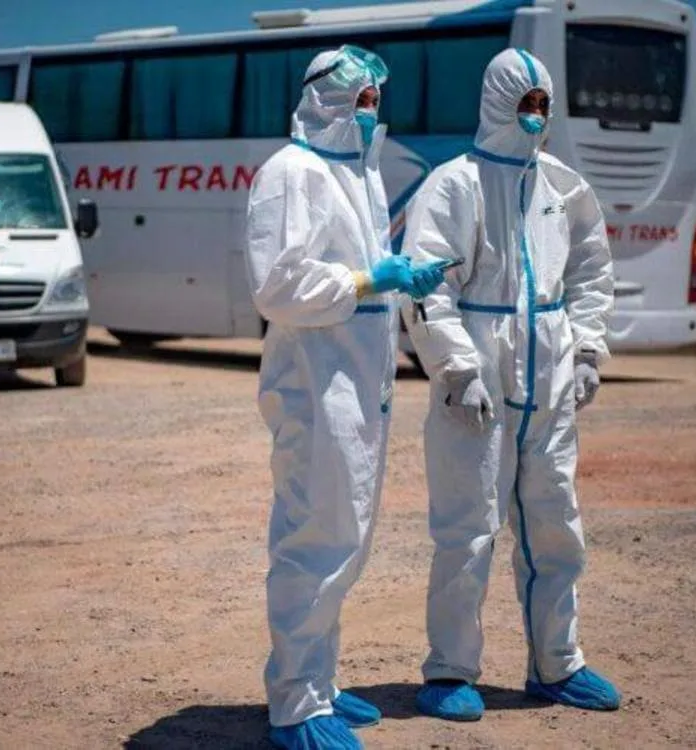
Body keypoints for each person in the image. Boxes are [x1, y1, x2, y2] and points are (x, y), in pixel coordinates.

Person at [402, 48, 618, 721]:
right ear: (498, 102)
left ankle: (558, 664)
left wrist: (587, 348)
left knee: (556, 521)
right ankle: (449, 669)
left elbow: (591, 271)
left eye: (543, 104)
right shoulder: (453, 185)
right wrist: (457, 367)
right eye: (525, 102)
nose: (536, 115)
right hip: (480, 372)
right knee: (467, 526)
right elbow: (428, 286)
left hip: (549, 373)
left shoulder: (564, 187)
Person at [244, 45, 447, 750]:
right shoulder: (290, 173)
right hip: (315, 384)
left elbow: (360, 268)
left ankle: (320, 684)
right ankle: (295, 705)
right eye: (359, 99)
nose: (369, 111)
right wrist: (366, 282)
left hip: (356, 387)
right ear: (323, 98)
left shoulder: (358, 173)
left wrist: (401, 277)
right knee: (316, 539)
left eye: (374, 101)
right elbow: (277, 286)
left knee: (346, 538)